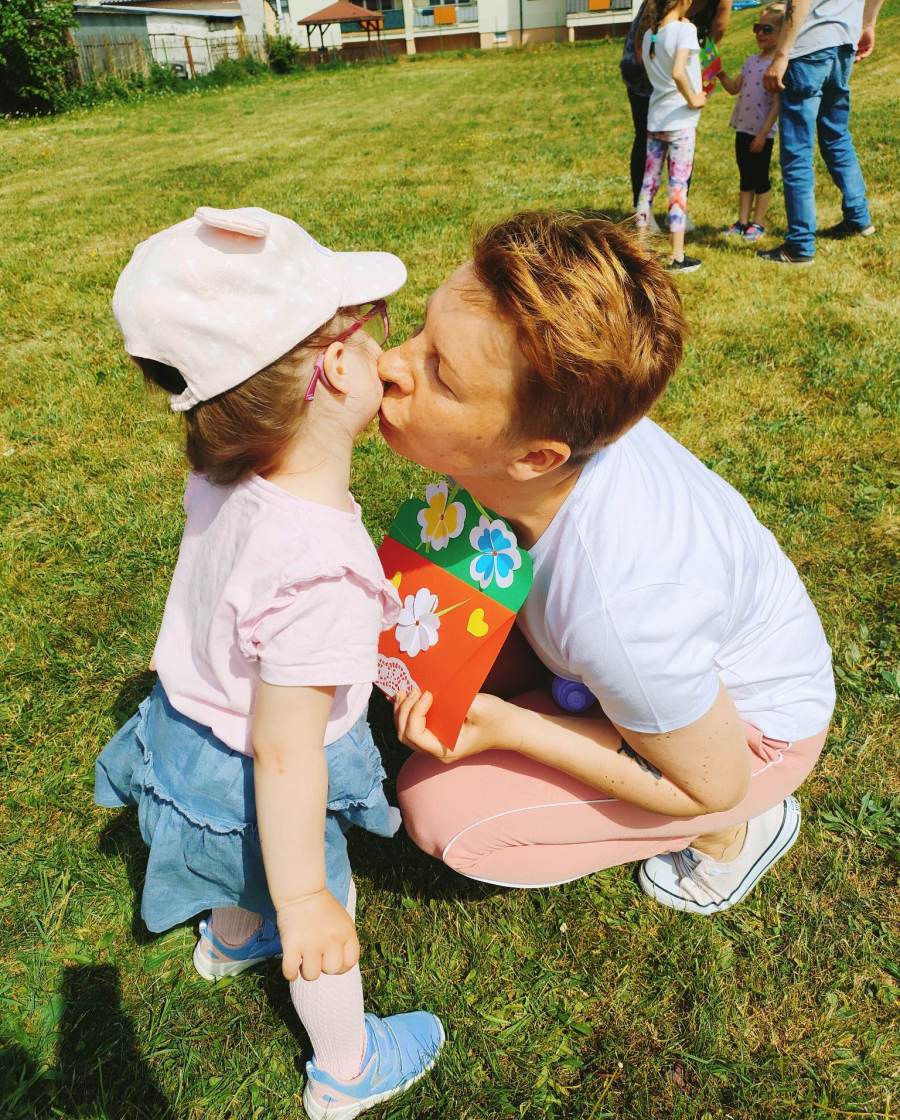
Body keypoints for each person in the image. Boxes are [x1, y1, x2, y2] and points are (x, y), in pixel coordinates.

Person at [94, 207, 444, 1120]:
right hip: (260, 769)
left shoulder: (224, 475)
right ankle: (347, 1065)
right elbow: (287, 755)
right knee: (318, 911)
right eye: (370, 331)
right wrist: (307, 896)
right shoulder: (320, 568)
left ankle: (232, 936)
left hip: (186, 735)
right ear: (336, 368)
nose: (386, 349)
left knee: (234, 857)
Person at [380, 210, 834, 914]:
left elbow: (712, 783)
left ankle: (733, 838)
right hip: (644, 679)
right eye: (421, 330)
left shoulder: (624, 607)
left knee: (440, 807)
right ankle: (588, 702)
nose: (390, 364)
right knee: (411, 654)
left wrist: (513, 727)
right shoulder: (559, 426)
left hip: (739, 743)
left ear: (536, 457)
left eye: (442, 374)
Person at [757, 0, 895, 265]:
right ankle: (858, 218)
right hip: (844, 39)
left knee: (797, 150)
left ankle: (799, 244)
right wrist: (868, 22)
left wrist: (782, 53)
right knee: (836, 134)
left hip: (809, 43)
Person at [620, 0, 741, 228]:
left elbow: (712, 41)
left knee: (683, 140)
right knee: (648, 138)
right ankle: (643, 214)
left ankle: (677, 211)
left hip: (682, 71)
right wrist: (668, 82)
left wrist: (699, 84)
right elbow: (643, 43)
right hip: (647, 66)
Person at [634, 0, 707, 273]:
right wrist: (694, 97)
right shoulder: (685, 30)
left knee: (648, 185)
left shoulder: (650, 35)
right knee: (678, 185)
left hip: (656, 119)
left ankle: (640, 249)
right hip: (680, 122)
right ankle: (677, 256)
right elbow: (679, 71)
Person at [717, 3, 785, 241]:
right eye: (757, 28)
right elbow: (734, 88)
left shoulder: (776, 67)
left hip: (761, 133)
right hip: (743, 129)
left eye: (767, 29)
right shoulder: (751, 61)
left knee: (760, 178)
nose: (760, 34)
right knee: (746, 177)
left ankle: (758, 223)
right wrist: (721, 74)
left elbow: (777, 104)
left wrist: (763, 134)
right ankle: (742, 221)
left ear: (782, 33)